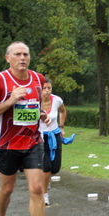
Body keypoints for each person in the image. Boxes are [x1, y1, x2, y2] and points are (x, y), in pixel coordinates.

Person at [0, 41, 53, 216]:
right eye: (17, 54)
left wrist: (41, 114)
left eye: (26, 54)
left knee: (37, 188)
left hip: (33, 141)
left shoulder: (38, 78)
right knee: (7, 189)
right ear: (8, 58)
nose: (22, 58)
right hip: (7, 144)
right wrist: (10, 100)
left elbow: (35, 105)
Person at [39, 77, 67, 206]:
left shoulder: (57, 100)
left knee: (55, 168)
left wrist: (61, 127)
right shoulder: (35, 101)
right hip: (40, 137)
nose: (47, 91)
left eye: (49, 88)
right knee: (46, 167)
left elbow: (63, 111)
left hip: (55, 135)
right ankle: (44, 195)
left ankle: (46, 180)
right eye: (44, 88)